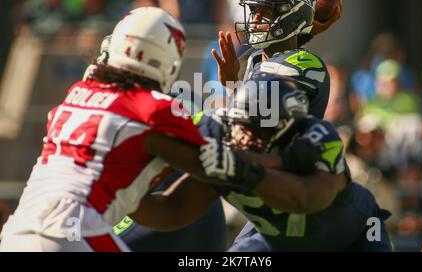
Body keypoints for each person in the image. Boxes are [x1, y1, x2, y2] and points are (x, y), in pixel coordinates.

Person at [0, 7, 217, 252]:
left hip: (18, 229)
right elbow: (212, 166)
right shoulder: (154, 106)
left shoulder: (72, 99)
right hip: (74, 227)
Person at [129, 74, 393, 251]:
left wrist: (241, 168)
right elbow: (174, 210)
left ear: (286, 131)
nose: (244, 136)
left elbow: (304, 198)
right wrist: (122, 198)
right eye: (240, 126)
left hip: (352, 238)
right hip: (276, 242)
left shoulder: (316, 140)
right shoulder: (220, 133)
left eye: (257, 130)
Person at [212, 0, 342, 119]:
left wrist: (232, 82)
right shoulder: (255, 57)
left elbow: (261, 121)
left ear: (294, 17)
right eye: (254, 11)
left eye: (265, 13)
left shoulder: (304, 65)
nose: (255, 21)